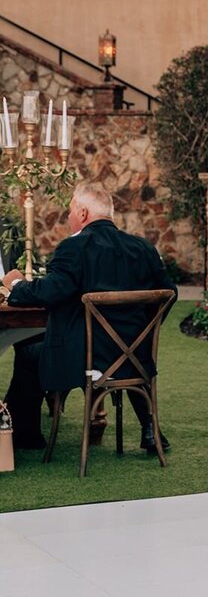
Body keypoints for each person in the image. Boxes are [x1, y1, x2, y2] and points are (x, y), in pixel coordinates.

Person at [2, 180, 177, 454]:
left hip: (84, 358)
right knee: (106, 344)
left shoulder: (74, 248)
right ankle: (150, 429)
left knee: (27, 351)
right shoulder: (143, 249)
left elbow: (51, 291)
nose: (70, 217)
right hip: (134, 356)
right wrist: (146, 331)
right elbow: (169, 293)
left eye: (71, 211)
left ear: (83, 214)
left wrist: (16, 285)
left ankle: (23, 435)